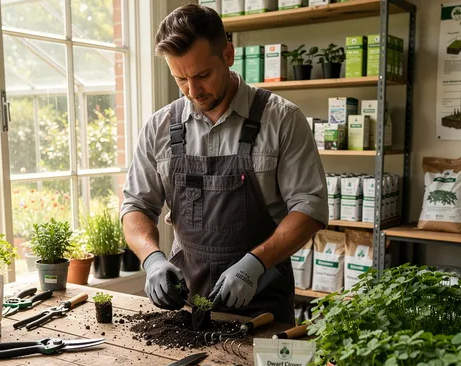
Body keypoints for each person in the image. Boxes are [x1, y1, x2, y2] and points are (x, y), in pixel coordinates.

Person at [120, 4, 327, 324]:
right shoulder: (159, 128)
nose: (193, 91)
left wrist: (254, 264)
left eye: (202, 75)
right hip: (186, 304)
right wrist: (152, 259)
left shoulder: (282, 119)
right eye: (180, 79)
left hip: (264, 303)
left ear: (228, 55)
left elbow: (310, 208)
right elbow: (136, 206)